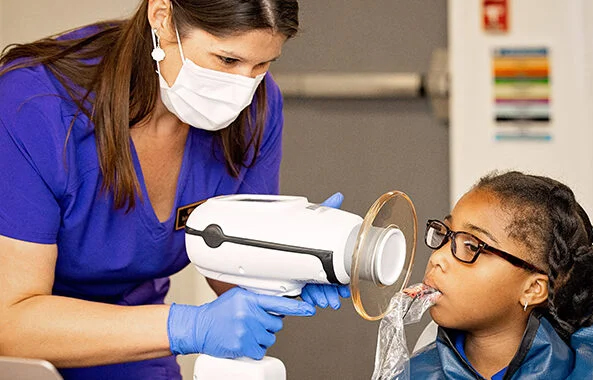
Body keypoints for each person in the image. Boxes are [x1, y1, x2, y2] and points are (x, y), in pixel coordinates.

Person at [0, 1, 347, 379]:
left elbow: (233, 274)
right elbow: (11, 322)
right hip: (25, 356)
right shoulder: (33, 105)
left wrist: (290, 269)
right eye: (227, 60)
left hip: (136, 345)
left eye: (263, 65)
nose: (243, 87)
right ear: (162, 17)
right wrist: (186, 327)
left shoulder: (257, 107)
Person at [410, 171, 593, 379]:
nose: (437, 257)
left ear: (532, 289)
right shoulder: (411, 372)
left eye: (472, 246)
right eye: (445, 234)